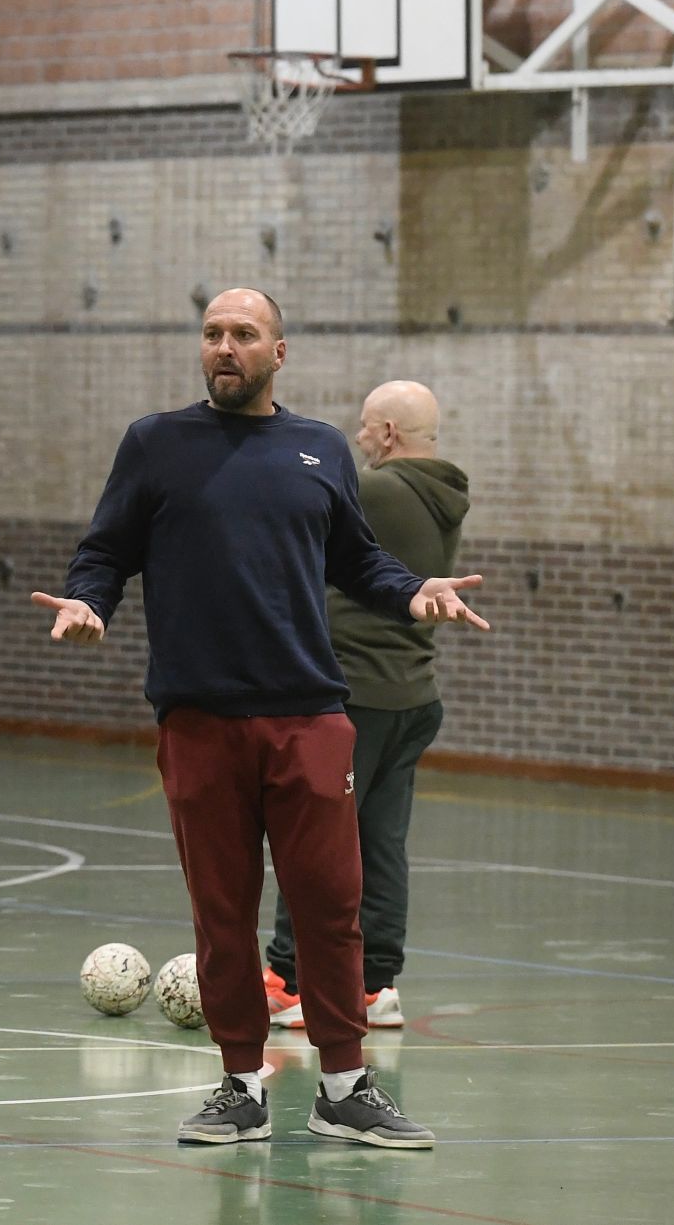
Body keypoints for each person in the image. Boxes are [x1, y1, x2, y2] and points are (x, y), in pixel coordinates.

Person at [32, 289, 489, 1149]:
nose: (224, 347)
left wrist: (412, 586)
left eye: (243, 334)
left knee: (329, 903)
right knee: (222, 908)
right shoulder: (154, 444)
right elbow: (105, 550)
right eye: (211, 333)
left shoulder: (318, 449)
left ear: (280, 351)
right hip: (199, 718)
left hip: (310, 715)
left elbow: (357, 558)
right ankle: (241, 1084)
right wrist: (89, 600)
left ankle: (345, 1088)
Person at [265, 381, 469, 1032]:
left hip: (357, 695)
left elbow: (297, 537)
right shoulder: (442, 494)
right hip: (410, 695)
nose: (355, 439)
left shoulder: (379, 490)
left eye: (363, 428)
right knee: (381, 846)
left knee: (312, 838)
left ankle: (289, 979)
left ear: (386, 433)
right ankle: (375, 985)